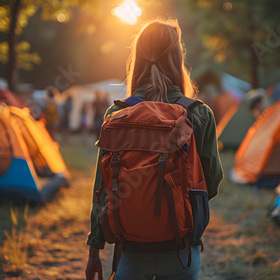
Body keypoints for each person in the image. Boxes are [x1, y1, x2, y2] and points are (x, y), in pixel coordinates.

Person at [86, 19, 223, 280]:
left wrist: (94, 250)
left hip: (130, 252)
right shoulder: (199, 114)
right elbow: (211, 184)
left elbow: (101, 190)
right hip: (182, 253)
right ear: (177, 59)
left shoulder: (117, 113)